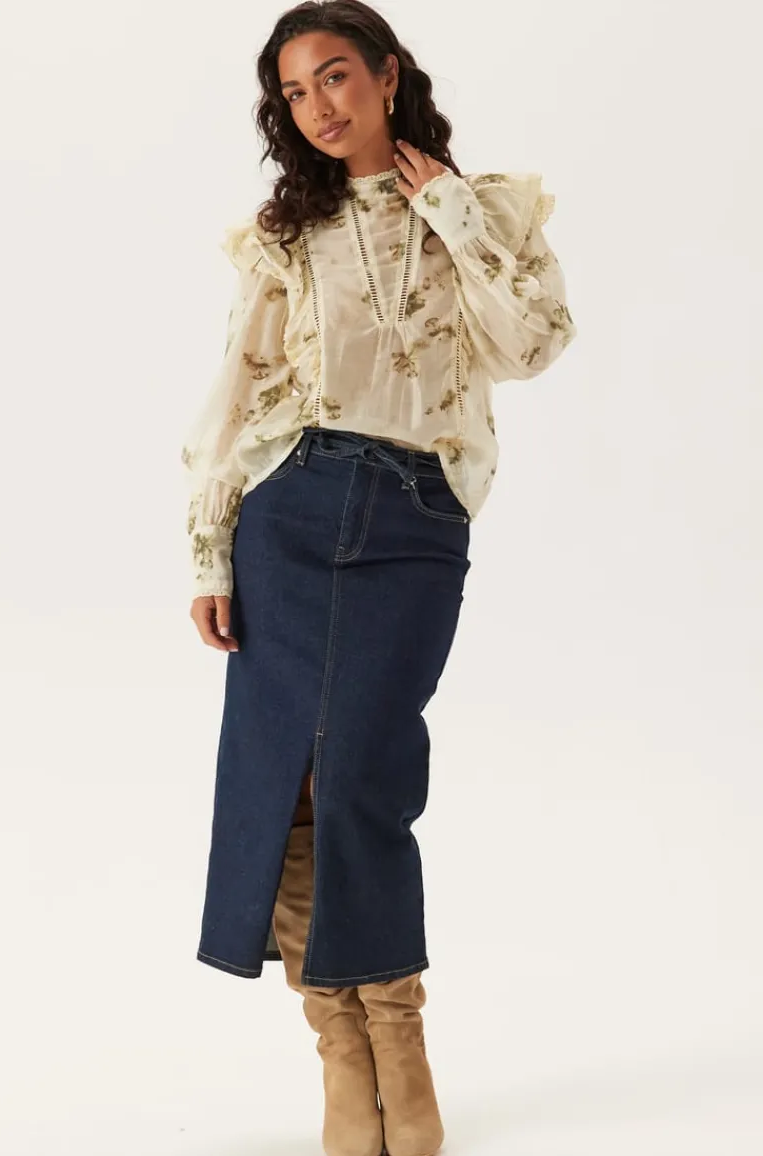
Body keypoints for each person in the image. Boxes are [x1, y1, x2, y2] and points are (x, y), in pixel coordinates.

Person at [181, 2, 576, 1154]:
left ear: (387, 75)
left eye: (335, 77)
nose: (317, 106)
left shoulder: (485, 208)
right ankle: (343, 1054)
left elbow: (533, 342)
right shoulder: (281, 236)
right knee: (291, 779)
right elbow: (236, 390)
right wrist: (209, 545)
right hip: (290, 507)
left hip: (414, 516)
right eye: (294, 93)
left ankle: (399, 1037)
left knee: (363, 771)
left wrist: (446, 206)